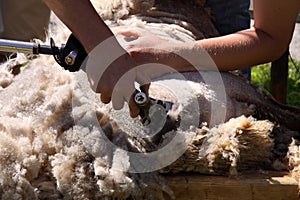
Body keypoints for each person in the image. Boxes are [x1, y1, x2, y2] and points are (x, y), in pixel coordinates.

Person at [43, 0, 300, 117]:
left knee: (217, 117)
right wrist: (102, 47)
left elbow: (270, 35)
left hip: (210, 19)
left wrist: (168, 55)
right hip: (122, 15)